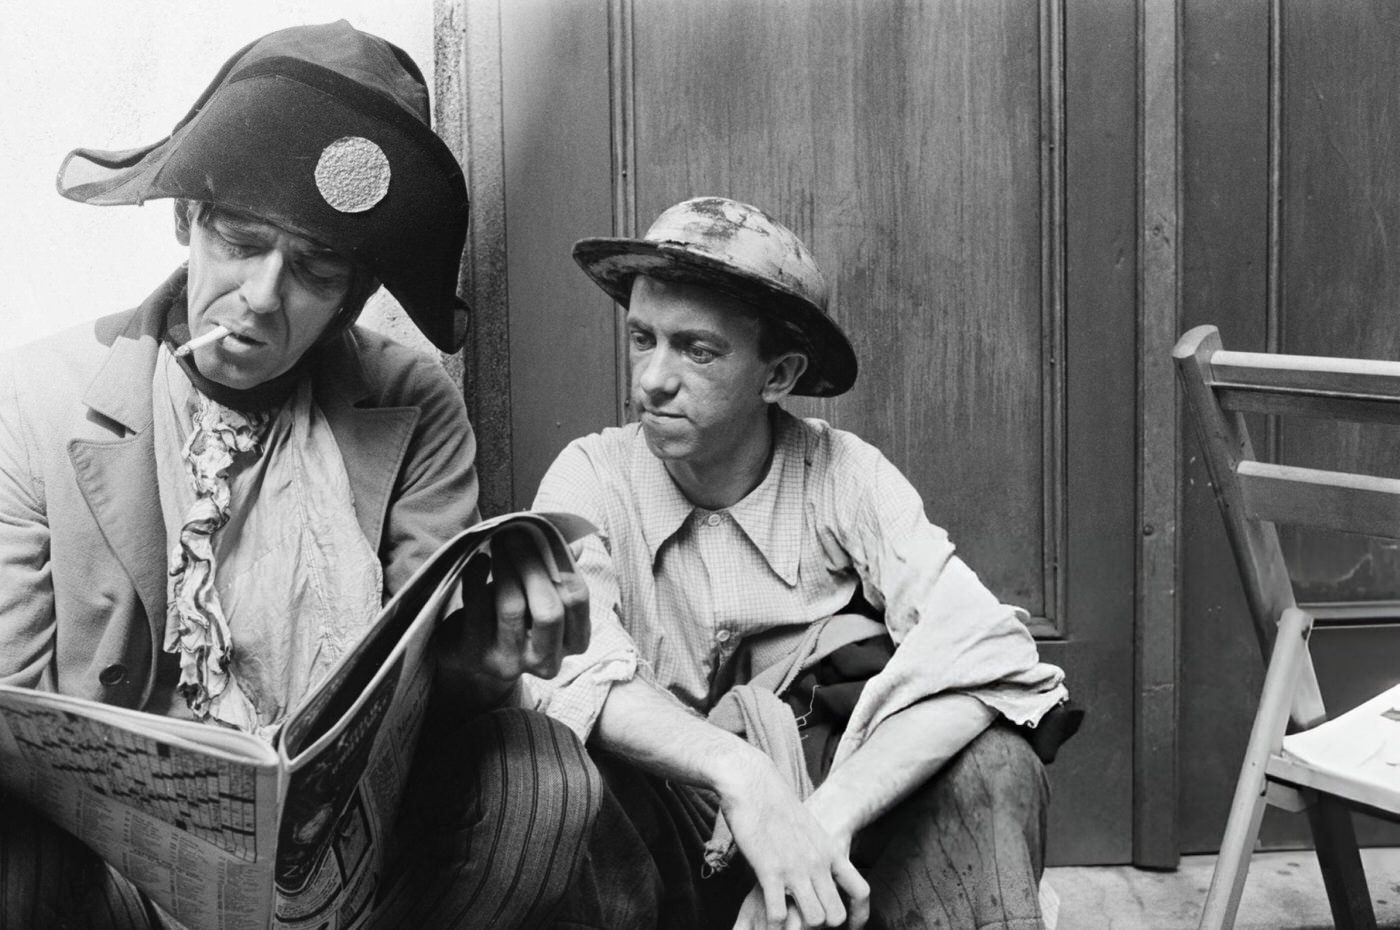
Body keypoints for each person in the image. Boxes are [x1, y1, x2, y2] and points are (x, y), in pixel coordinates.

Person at [0, 22, 593, 929]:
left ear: (355, 296)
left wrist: (486, 667)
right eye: (240, 240)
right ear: (186, 219)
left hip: (344, 877)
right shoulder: (35, 400)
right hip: (112, 881)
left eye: (315, 269)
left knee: (542, 773)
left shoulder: (414, 405)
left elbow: (418, 709)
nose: (262, 296)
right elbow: (19, 714)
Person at [528, 196, 1076, 930]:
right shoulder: (590, 475)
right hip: (662, 840)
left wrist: (823, 820)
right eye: (641, 338)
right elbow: (568, 670)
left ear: (778, 375)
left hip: (833, 841)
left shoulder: (841, 475)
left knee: (997, 762)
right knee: (551, 775)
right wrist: (742, 772)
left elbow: (987, 648)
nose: (653, 379)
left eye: (697, 350)